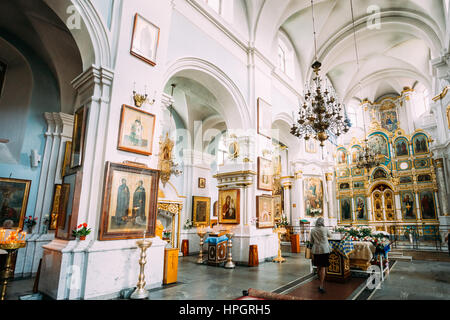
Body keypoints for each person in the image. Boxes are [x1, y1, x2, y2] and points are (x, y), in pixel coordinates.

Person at [309, 217, 332, 293]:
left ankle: (320, 283)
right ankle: (321, 285)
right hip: (324, 250)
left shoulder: (312, 230)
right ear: (323, 222)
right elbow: (330, 235)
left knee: (318, 267)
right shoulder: (325, 229)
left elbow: (311, 241)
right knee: (323, 268)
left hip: (316, 250)